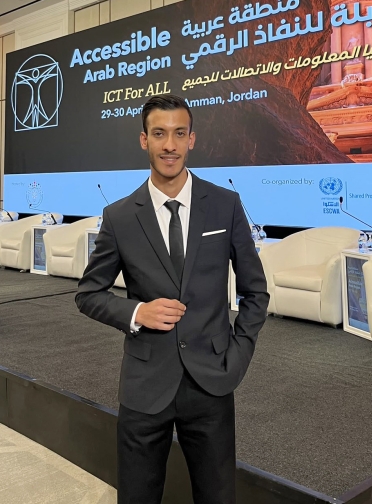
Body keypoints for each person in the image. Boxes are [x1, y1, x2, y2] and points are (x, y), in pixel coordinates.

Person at [76, 94, 269, 504]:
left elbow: (256, 292)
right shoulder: (119, 216)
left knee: (217, 496)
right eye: (159, 134)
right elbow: (88, 294)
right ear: (144, 140)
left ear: (191, 139)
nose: (170, 145)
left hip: (212, 380)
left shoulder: (225, 205)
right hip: (145, 385)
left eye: (179, 134)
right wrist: (137, 312)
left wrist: (237, 357)